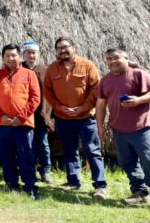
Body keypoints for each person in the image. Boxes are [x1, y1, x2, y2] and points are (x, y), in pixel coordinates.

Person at [96, 48, 150, 210]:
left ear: (126, 58)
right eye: (109, 59)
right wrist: (100, 125)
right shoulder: (105, 80)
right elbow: (100, 104)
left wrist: (138, 100)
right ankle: (139, 193)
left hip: (142, 127)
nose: (112, 61)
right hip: (119, 129)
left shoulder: (139, 74)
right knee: (128, 163)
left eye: (116, 58)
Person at [44, 37, 107, 199]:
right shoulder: (52, 69)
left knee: (92, 151)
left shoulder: (88, 65)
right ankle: (73, 181)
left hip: (86, 117)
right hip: (63, 118)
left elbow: (96, 88)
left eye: (65, 47)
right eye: (59, 48)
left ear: (74, 47)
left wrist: (82, 108)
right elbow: (48, 92)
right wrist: (60, 108)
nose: (62, 50)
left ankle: (100, 186)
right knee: (69, 150)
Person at [0, 44, 40, 199]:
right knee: (7, 155)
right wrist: (2, 116)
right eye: (7, 56)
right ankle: (11, 184)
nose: (11, 58)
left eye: (14, 55)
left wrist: (20, 117)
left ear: (20, 57)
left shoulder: (29, 74)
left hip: (23, 124)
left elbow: (35, 98)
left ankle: (30, 186)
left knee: (26, 156)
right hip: (2, 124)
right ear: (3, 58)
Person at [21, 41, 54, 184]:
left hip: (41, 115)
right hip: (24, 115)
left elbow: (51, 94)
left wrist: (48, 114)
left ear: (38, 54)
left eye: (33, 53)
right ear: (24, 54)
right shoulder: (19, 69)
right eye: (28, 52)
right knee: (27, 145)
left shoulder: (45, 70)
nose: (31, 55)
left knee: (43, 144)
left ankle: (45, 171)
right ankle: (29, 171)